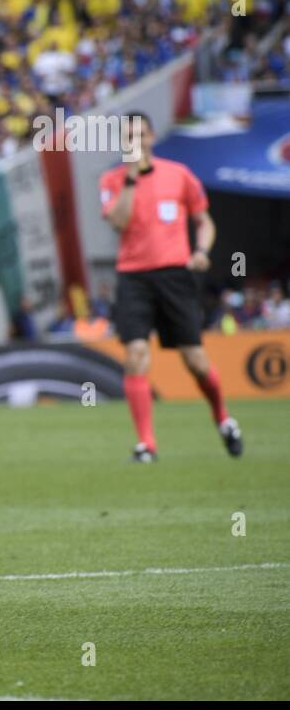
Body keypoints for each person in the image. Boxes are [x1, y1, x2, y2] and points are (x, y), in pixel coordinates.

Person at [99, 111, 242, 463]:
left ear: (152, 137)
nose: (136, 141)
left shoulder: (179, 176)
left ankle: (223, 418)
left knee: (195, 361)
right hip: (132, 276)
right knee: (135, 355)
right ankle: (147, 444)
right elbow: (118, 223)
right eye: (128, 136)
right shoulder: (112, 180)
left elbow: (204, 222)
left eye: (141, 134)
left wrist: (202, 251)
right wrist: (131, 178)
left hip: (175, 276)